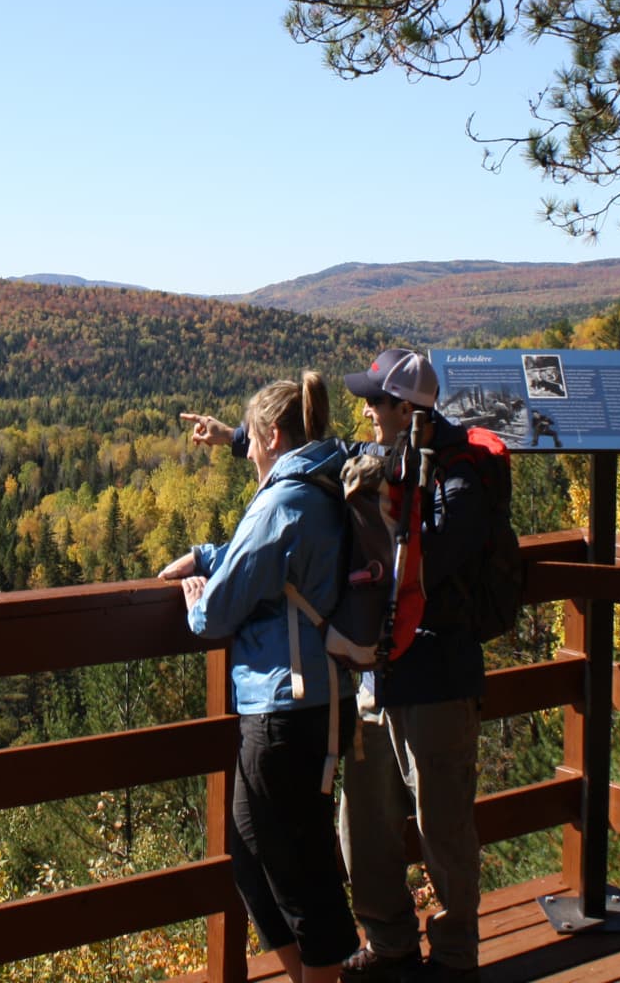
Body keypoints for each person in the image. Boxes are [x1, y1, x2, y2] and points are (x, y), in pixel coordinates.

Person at [166, 373, 358, 983]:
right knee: (252, 856)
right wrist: (210, 554)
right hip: (314, 701)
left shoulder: (282, 500)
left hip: (287, 707)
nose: (245, 449)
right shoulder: (323, 483)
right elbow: (277, 569)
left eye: (250, 439)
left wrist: (198, 595)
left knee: (298, 867)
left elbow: (219, 611)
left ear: (273, 436)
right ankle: (307, 974)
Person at [337, 347, 492, 983]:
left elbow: (444, 556)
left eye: (375, 401)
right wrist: (242, 438)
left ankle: (454, 959)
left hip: (437, 676)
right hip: (379, 673)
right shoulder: (387, 458)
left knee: (444, 828)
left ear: (406, 407)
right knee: (363, 823)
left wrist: (399, 512)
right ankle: (388, 940)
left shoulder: (458, 470)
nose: (367, 411)